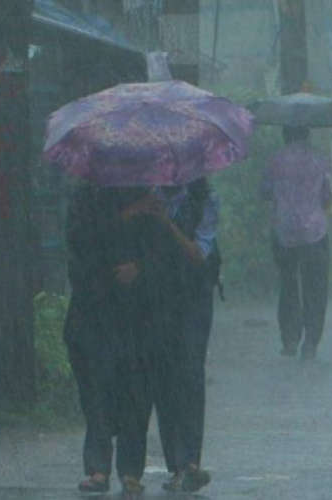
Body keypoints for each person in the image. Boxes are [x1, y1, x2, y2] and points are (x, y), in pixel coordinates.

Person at [64, 185, 167, 496]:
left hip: (138, 314)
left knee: (136, 393)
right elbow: (81, 245)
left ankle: (130, 470)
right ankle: (97, 468)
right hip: (93, 312)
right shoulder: (85, 197)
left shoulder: (151, 193)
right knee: (96, 391)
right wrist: (126, 215)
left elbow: (164, 251)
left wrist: (142, 269)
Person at [138, 178, 220, 493]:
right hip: (155, 297)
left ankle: (190, 462)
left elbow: (198, 253)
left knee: (189, 373)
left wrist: (165, 223)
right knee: (163, 377)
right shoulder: (147, 196)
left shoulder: (204, 200)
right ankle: (177, 464)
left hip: (193, 297)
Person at [262, 126, 332, 360]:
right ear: (307, 134)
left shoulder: (274, 161)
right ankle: (311, 343)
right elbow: (327, 196)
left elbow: (264, 192)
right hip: (315, 231)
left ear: (285, 135)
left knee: (288, 284)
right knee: (316, 288)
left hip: (284, 231)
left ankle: (290, 339)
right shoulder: (320, 160)